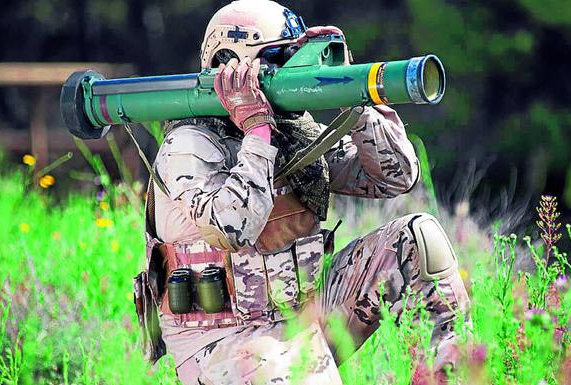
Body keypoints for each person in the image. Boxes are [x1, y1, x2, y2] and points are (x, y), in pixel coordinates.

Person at [139, 1, 470, 384]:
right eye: (280, 56)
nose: (293, 67)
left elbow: (395, 177)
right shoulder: (188, 145)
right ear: (232, 61)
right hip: (224, 341)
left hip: (304, 314)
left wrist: (351, 95)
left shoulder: (295, 133)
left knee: (416, 239)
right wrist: (257, 134)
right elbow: (232, 228)